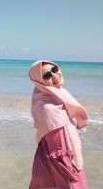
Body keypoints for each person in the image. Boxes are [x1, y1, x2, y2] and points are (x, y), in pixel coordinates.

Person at [28, 60, 89, 189]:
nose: (54, 75)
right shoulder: (49, 108)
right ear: (40, 82)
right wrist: (71, 180)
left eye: (55, 69)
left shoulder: (52, 97)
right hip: (66, 170)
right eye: (47, 76)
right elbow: (59, 151)